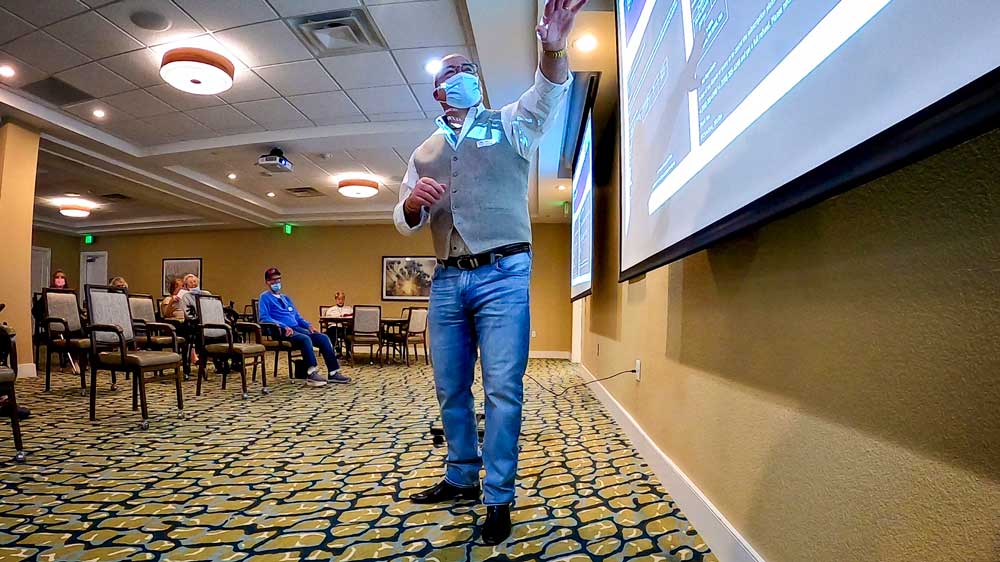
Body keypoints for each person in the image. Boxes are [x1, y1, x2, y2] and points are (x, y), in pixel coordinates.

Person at [392, 0, 581, 545]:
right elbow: (403, 217)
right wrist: (411, 207)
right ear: (437, 91)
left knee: (503, 388)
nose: (463, 76)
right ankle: (460, 476)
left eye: (469, 70)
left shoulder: (509, 125)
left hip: (503, 274)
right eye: (452, 72)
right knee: (450, 387)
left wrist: (552, 46)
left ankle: (498, 496)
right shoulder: (424, 151)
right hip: (447, 279)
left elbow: (548, 96)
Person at [258, 268, 350, 387]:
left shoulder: (286, 298)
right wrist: (282, 326)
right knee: (305, 339)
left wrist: (308, 325)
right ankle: (311, 373)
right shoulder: (264, 297)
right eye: (273, 280)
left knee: (323, 338)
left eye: (278, 279)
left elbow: (296, 316)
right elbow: (264, 317)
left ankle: (333, 372)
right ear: (267, 282)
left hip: (296, 327)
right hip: (280, 331)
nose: (276, 283)